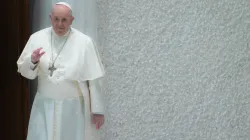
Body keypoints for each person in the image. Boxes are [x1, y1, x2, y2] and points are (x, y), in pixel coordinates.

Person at [17, 2, 106, 140]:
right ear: (50, 18)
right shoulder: (37, 38)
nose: (59, 24)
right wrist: (33, 60)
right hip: (44, 105)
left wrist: (97, 110)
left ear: (72, 20)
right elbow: (26, 73)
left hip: (74, 107)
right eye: (56, 19)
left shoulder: (85, 43)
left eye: (64, 20)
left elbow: (95, 79)